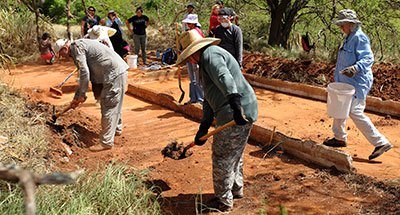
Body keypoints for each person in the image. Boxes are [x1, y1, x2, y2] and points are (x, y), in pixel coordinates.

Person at [176, 30, 258, 212]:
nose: (189, 61)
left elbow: (224, 77)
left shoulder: (210, 56)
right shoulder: (207, 58)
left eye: (189, 57)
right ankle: (236, 190)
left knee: (222, 156)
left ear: (194, 52)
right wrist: (204, 126)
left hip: (236, 112)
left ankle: (224, 201)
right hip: (240, 108)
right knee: (234, 153)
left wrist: (235, 105)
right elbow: (210, 96)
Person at [323, 9, 393, 160]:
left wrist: (355, 68)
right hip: (345, 82)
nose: (341, 27)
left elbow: (368, 58)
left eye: (343, 24)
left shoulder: (359, 38)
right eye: (340, 24)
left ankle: (381, 142)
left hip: (357, 83)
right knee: (340, 106)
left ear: (351, 24)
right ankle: (339, 137)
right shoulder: (349, 38)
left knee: (355, 111)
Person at [55, 39, 129, 151]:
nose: (63, 57)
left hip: (114, 73)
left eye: (61, 54)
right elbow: (83, 75)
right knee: (113, 103)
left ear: (64, 49)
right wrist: (78, 97)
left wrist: (82, 93)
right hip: (115, 72)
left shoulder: (77, 48)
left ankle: (106, 142)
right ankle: (116, 130)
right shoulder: (79, 46)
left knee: (109, 105)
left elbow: (85, 72)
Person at [181, 15, 204, 105]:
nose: (188, 24)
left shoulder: (198, 32)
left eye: (189, 23)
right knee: (192, 79)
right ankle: (193, 98)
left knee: (198, 79)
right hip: (189, 58)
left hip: (196, 58)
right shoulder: (188, 32)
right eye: (187, 23)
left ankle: (200, 99)